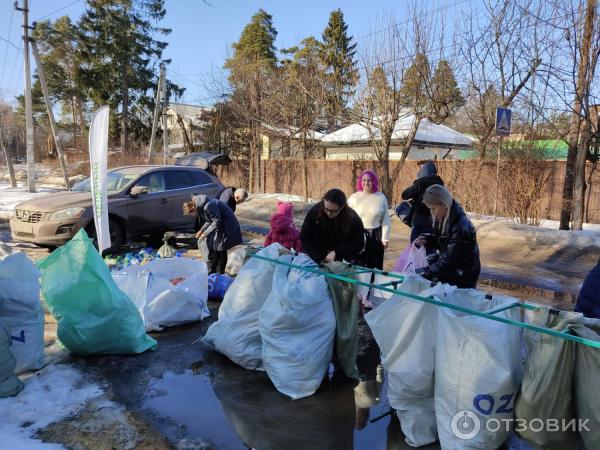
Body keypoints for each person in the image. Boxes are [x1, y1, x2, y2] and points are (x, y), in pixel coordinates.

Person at [414, 184, 480, 288]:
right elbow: (444, 241)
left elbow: (450, 257)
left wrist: (426, 272)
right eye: (430, 209)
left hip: (463, 274)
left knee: (456, 302)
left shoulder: (460, 226)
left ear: (444, 204)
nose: (432, 213)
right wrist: (427, 240)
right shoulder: (444, 218)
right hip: (454, 270)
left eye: (434, 209)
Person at [300, 188, 365, 264]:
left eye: (333, 211)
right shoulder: (315, 212)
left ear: (342, 207)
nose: (329, 213)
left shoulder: (352, 218)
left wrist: (337, 253)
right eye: (326, 209)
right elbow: (305, 237)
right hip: (318, 256)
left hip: (343, 259)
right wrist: (317, 257)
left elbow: (358, 243)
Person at [183, 195, 242, 274]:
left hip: (227, 225)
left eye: (191, 214)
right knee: (216, 247)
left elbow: (217, 221)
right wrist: (201, 230)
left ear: (193, 209)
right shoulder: (201, 206)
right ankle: (213, 271)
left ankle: (221, 273)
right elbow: (209, 220)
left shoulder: (208, 206)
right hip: (221, 225)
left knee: (221, 249)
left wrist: (205, 233)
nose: (192, 216)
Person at [347, 170, 391, 270]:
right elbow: (347, 218)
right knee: (359, 265)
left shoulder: (381, 198)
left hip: (376, 236)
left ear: (374, 182)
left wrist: (385, 238)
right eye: (364, 180)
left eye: (369, 180)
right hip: (358, 235)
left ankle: (374, 285)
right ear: (360, 182)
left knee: (375, 266)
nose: (366, 183)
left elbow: (386, 220)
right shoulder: (354, 198)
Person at [399, 161, 444, 243]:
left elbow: (404, 195)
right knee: (431, 248)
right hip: (435, 221)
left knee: (415, 249)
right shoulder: (440, 184)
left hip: (419, 222)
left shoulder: (420, 183)